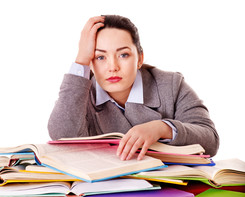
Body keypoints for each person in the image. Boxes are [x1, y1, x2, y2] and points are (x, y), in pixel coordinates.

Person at [48, 15, 219, 161]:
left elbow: (210, 141)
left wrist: (162, 128)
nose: (112, 66)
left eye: (123, 55)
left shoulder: (171, 84)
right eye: (100, 57)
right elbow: (62, 137)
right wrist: (80, 61)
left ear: (139, 59)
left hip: (167, 188)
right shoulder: (79, 93)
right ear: (90, 63)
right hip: (103, 190)